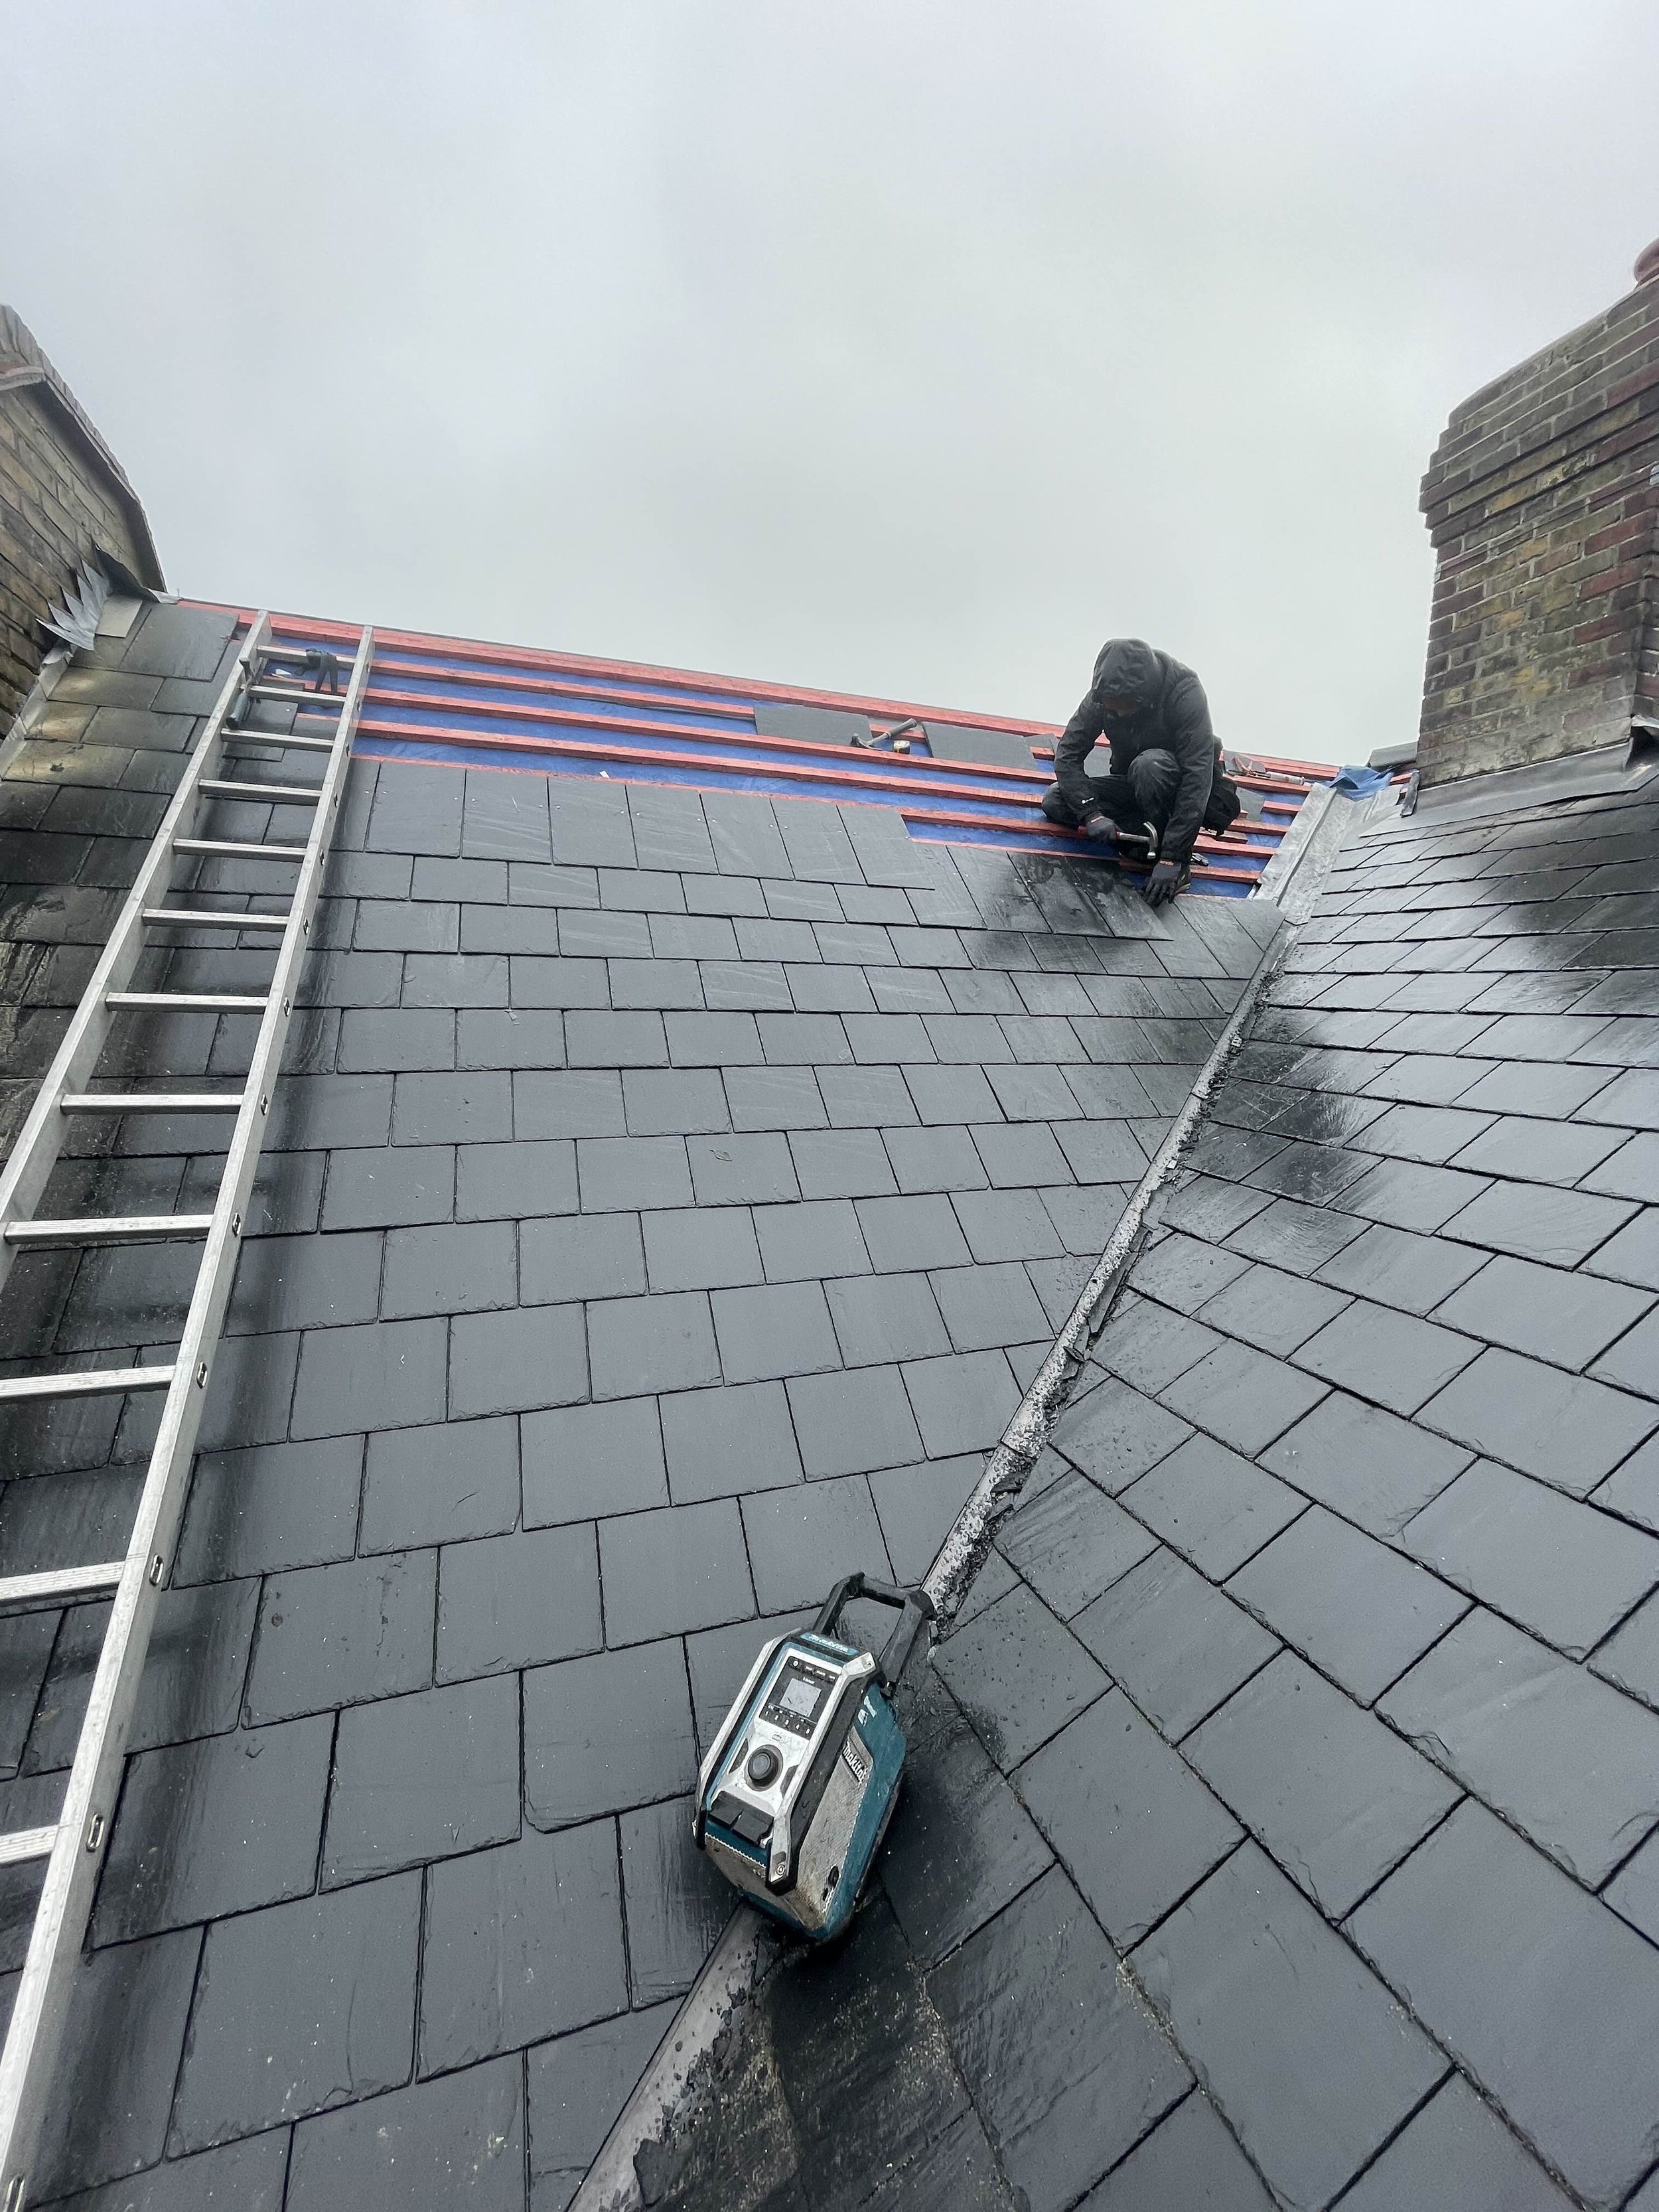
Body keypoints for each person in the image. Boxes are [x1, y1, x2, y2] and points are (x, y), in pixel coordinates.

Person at [1041, 637, 1225, 905]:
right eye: (1108, 703)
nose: (1113, 710)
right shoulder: (1102, 698)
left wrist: (1173, 857)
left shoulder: (1184, 691)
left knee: (1149, 765)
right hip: (1134, 785)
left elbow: (1198, 776)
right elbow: (1068, 755)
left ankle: (1170, 855)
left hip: (1176, 787)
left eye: (1120, 704)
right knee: (1057, 799)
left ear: (1142, 696)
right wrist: (1092, 814)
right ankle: (1142, 843)